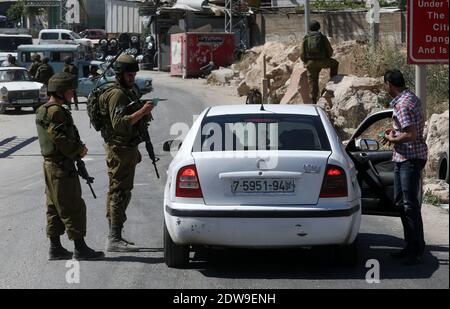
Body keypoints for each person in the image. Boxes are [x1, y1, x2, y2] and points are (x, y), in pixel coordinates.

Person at [35, 72, 104, 261]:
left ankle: (55, 248)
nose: (72, 94)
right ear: (61, 92)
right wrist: (78, 151)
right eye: (70, 91)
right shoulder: (56, 111)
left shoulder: (43, 109)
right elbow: (59, 138)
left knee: (54, 207)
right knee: (73, 206)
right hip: (61, 167)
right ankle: (80, 248)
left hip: (51, 165)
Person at [99, 54, 154, 252]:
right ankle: (114, 238)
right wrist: (143, 112)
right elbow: (119, 124)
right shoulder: (117, 94)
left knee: (118, 191)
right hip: (120, 149)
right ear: (120, 74)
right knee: (120, 192)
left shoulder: (122, 91)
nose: (132, 78)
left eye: (134, 74)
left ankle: (115, 235)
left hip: (124, 148)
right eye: (129, 75)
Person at [382, 69, 428, 266]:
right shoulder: (411, 98)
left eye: (384, 84)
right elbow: (411, 128)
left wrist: (392, 138)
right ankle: (411, 246)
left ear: (389, 84)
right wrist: (396, 132)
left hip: (409, 157)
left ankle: (416, 250)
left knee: (409, 206)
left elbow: (410, 134)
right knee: (402, 203)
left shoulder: (401, 104)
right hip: (404, 157)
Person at [300, 20, 339, 104]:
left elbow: (302, 53)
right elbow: (329, 50)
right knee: (335, 64)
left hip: (311, 63)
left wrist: (306, 62)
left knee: (313, 80)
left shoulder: (306, 38)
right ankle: (333, 82)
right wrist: (327, 57)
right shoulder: (322, 37)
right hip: (323, 61)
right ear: (319, 27)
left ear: (309, 28)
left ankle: (313, 100)